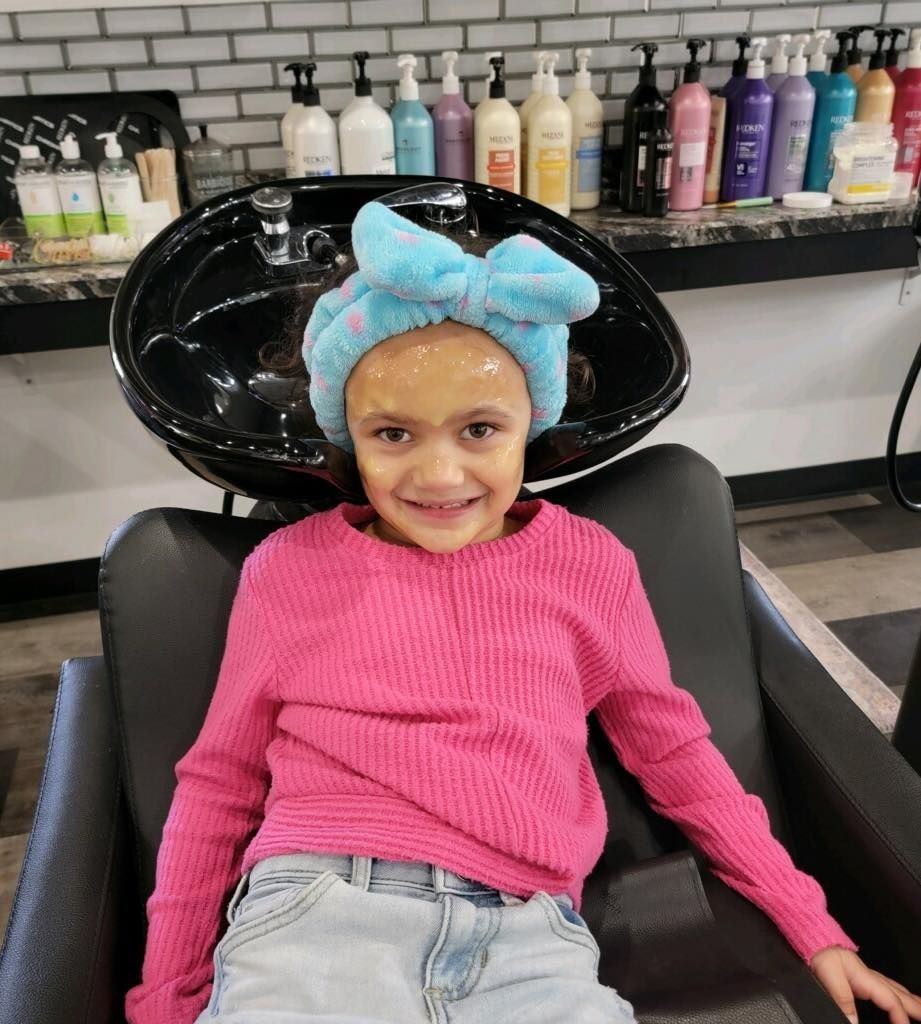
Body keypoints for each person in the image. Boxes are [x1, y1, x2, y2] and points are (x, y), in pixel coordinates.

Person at [125, 201, 921, 1024]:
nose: (439, 476)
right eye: (393, 434)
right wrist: (168, 995)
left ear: (529, 423)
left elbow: (677, 756)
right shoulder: (287, 570)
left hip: (530, 934)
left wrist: (812, 928)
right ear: (347, 435)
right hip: (321, 911)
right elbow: (217, 787)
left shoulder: (589, 565)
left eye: (478, 429)